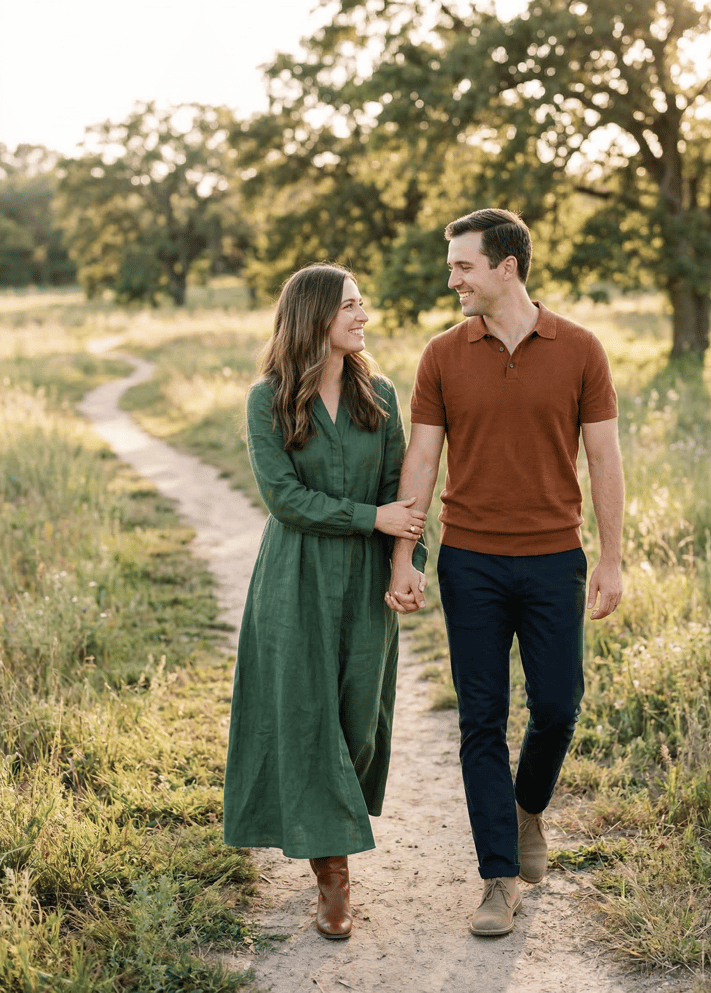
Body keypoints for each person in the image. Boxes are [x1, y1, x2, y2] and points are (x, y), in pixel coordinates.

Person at [385, 209, 624, 936]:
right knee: (481, 718)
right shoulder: (441, 355)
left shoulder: (581, 348)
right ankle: (498, 877)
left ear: (506, 267)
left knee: (559, 707)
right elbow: (422, 461)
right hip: (472, 563)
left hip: (556, 557)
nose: (451, 278)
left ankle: (527, 810)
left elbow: (605, 459)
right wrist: (406, 553)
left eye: (463, 265)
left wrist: (611, 559)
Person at [224, 262, 427, 940]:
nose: (363, 314)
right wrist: (374, 520)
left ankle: (331, 834)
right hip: (297, 578)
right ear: (314, 315)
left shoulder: (383, 394)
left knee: (360, 719)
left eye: (362, 303)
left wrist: (408, 562)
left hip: (367, 580)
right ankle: (332, 875)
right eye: (350, 305)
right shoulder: (268, 399)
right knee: (310, 719)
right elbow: (285, 498)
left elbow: (407, 489)